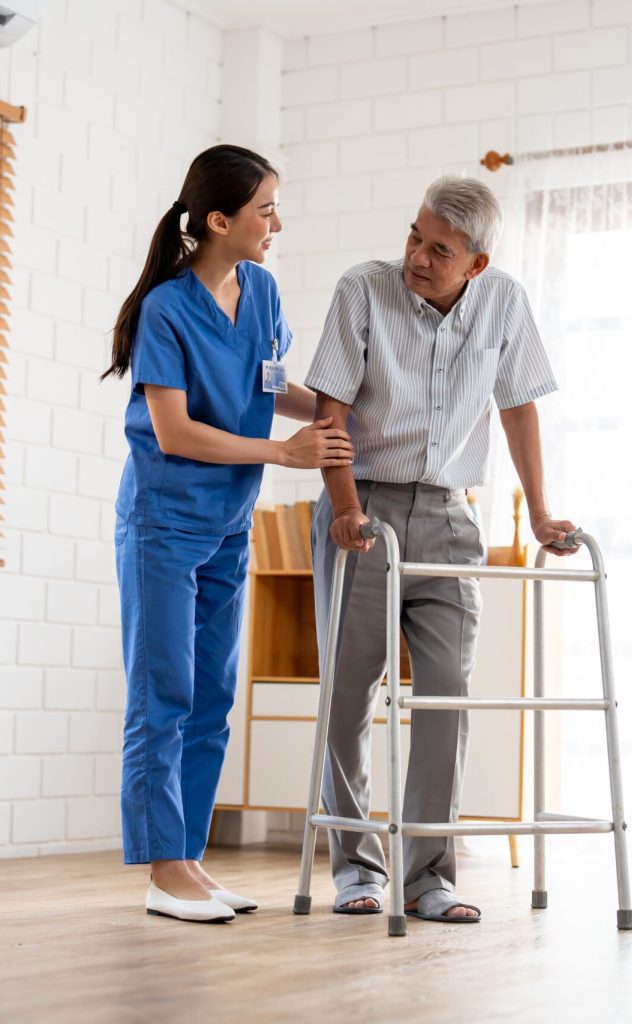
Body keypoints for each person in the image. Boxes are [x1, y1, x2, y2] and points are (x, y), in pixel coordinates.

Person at [305, 175, 578, 923]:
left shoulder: (505, 302)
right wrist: (345, 508)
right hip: (361, 505)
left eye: (439, 250)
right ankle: (356, 868)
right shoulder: (363, 290)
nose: (417, 257)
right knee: (349, 693)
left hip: (452, 516)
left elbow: (517, 407)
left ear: (476, 263)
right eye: (414, 237)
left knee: (448, 693)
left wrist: (541, 514)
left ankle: (429, 877)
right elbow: (329, 409)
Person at [103, 144, 353, 924]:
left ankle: (191, 862)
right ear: (219, 220)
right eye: (264, 209)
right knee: (163, 693)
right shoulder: (167, 309)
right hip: (164, 522)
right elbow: (174, 433)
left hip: (227, 525)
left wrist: (340, 411)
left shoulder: (264, 291)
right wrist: (283, 452)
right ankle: (162, 869)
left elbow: (267, 382)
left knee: (212, 695)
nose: (276, 222)